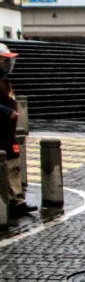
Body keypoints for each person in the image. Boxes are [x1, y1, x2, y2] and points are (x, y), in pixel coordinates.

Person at [0, 44, 35, 216]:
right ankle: (13, 201)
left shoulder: (3, 79)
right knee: (8, 166)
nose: (8, 63)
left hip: (8, 132)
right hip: (2, 131)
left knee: (13, 166)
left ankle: (16, 200)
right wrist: (8, 113)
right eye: (5, 59)